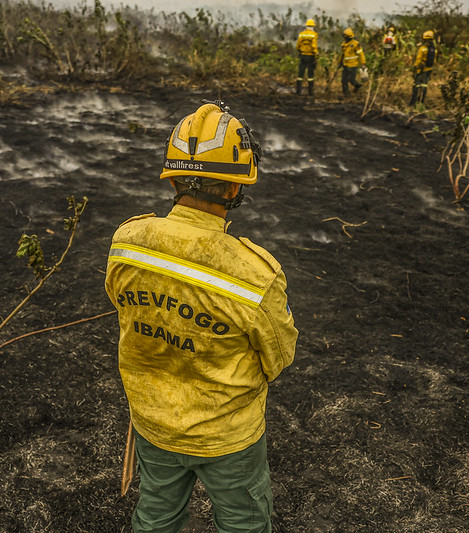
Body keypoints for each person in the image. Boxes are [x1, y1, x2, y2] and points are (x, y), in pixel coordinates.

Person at [105, 100, 298, 533]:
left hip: (152, 422)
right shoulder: (256, 273)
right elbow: (279, 359)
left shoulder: (127, 242)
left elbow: (124, 308)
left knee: (156, 516)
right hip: (228, 437)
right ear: (235, 189)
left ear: (171, 177)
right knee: (244, 523)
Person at [410, 30, 436, 106]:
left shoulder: (422, 49)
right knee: (424, 85)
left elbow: (418, 61)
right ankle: (421, 102)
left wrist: (414, 69)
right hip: (428, 70)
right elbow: (434, 60)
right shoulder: (434, 50)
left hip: (420, 70)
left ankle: (413, 102)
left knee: (416, 85)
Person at [337, 28, 366, 96]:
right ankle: (346, 94)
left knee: (350, 79)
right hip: (345, 64)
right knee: (343, 80)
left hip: (353, 65)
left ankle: (357, 85)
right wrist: (339, 62)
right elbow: (342, 54)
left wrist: (363, 63)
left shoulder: (356, 44)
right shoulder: (343, 44)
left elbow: (361, 54)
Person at [295, 18, 319, 95]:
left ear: (306, 26)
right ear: (313, 26)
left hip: (302, 55)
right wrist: (316, 54)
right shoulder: (314, 34)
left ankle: (298, 91)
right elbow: (313, 46)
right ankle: (310, 92)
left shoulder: (301, 34)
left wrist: (301, 50)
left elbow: (298, 45)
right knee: (310, 75)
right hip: (310, 56)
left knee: (300, 74)